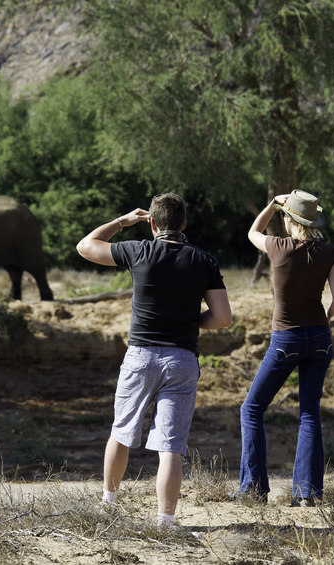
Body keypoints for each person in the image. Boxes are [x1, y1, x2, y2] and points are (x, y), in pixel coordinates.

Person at [76, 193, 232, 528]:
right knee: (170, 445)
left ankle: (109, 504)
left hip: (140, 356)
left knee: (122, 431)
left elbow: (85, 246)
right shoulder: (204, 261)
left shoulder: (137, 250)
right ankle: (165, 520)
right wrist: (191, 323)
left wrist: (122, 222)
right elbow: (222, 318)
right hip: (182, 360)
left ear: (151, 223)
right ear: (184, 224)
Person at [237, 190, 334, 507]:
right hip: (321, 339)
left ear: (289, 221)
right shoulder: (329, 252)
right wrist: (323, 318)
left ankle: (254, 489)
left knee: (252, 409)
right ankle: (307, 493)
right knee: (309, 413)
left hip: (286, 339)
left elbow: (252, 233)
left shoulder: (278, 247)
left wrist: (271, 204)